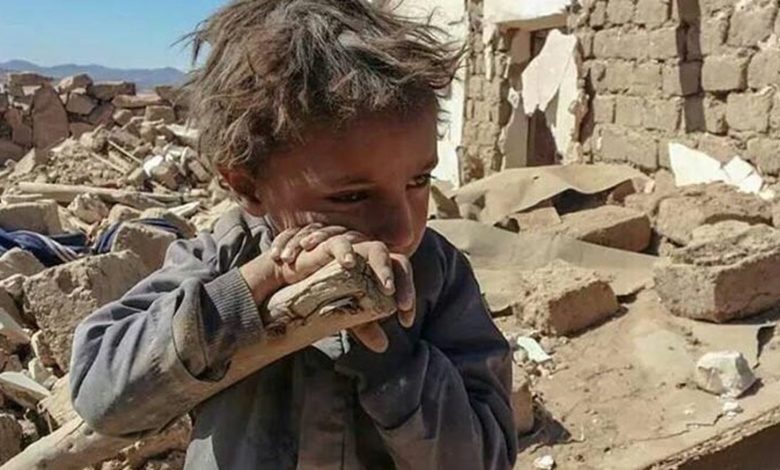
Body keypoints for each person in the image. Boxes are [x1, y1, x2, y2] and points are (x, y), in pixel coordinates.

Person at [69, 1, 518, 468]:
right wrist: (255, 288)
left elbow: (485, 458)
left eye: (418, 181)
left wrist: (390, 350)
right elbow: (101, 395)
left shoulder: (438, 278)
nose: (402, 230)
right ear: (248, 186)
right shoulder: (225, 258)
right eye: (351, 197)